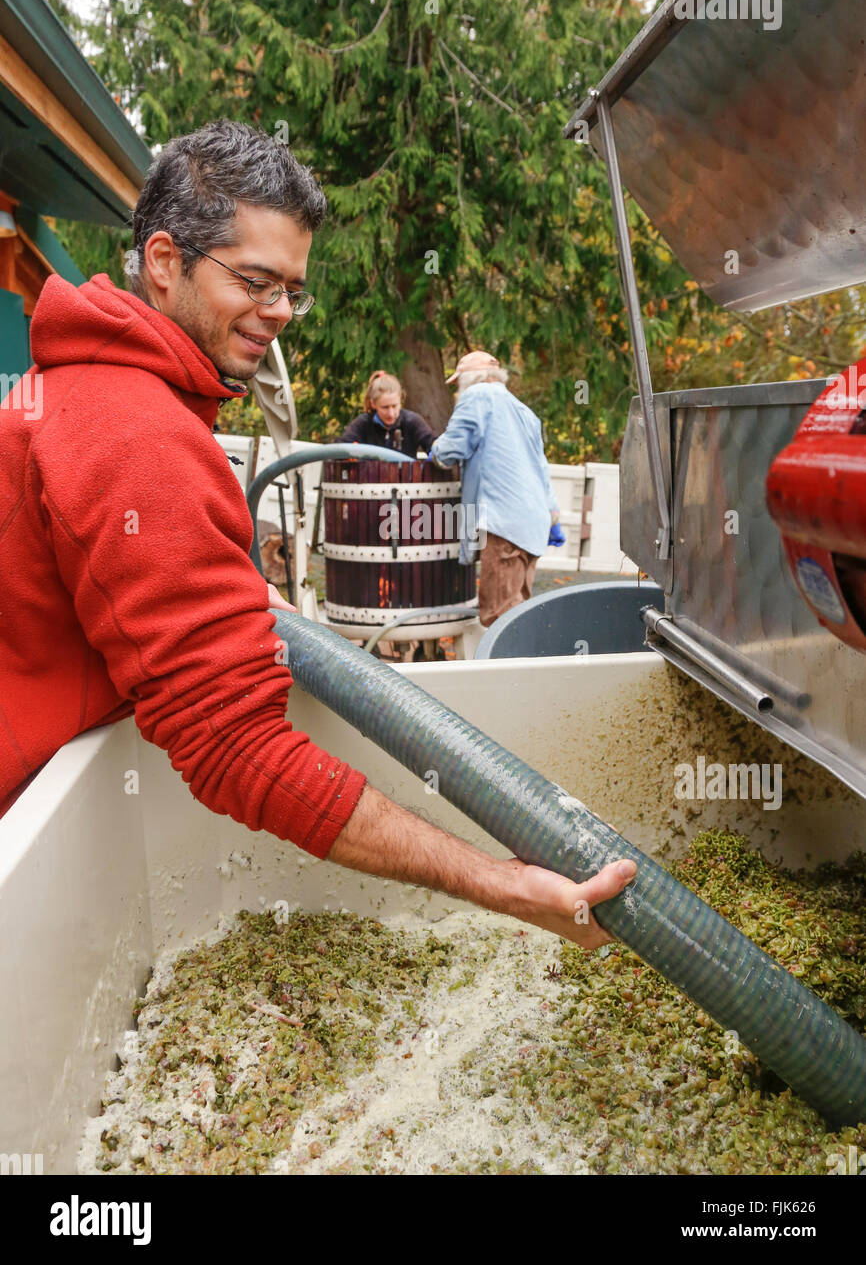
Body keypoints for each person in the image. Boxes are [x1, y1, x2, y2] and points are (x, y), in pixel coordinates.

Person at [0, 119, 634, 946]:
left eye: (292, 289)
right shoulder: (134, 432)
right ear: (164, 262)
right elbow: (237, 748)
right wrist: (499, 884)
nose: (279, 314)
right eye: (255, 281)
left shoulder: (99, 391)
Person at [430, 351, 561, 626]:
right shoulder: (524, 411)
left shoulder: (477, 396)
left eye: (458, 384)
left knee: (499, 619)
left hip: (504, 525)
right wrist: (553, 516)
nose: (458, 391)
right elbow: (541, 467)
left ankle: (505, 669)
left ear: (469, 378)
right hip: (532, 525)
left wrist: (435, 451)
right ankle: (523, 667)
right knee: (519, 616)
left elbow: (452, 449)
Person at [341, 370, 434, 458]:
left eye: (394, 406)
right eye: (385, 407)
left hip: (407, 474)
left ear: (400, 401)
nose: (391, 413)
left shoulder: (412, 421)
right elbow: (341, 449)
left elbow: (435, 448)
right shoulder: (363, 423)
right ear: (373, 404)